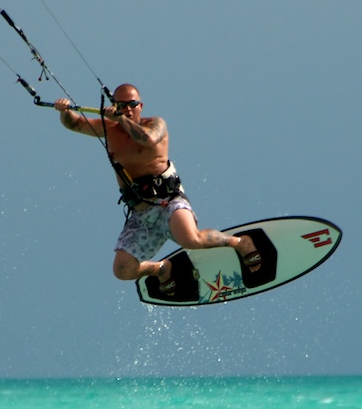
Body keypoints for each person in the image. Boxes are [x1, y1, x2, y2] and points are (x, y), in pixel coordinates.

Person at [54, 84, 260, 294]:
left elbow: (149, 139)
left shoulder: (155, 123)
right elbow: (75, 124)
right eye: (121, 105)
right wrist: (65, 111)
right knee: (122, 270)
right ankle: (161, 270)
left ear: (140, 105)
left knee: (191, 240)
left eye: (132, 105)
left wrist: (121, 120)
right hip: (141, 215)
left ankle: (240, 243)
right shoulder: (109, 129)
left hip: (168, 201)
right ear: (114, 105)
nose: (128, 109)